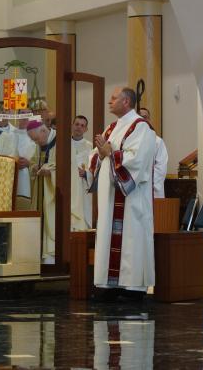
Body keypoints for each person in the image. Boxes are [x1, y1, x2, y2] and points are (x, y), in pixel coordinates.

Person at [86, 87, 156, 301]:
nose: (109, 101)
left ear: (126, 101)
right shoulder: (112, 127)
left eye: (114, 98)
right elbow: (98, 154)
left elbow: (138, 160)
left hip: (131, 198)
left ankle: (132, 286)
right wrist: (97, 156)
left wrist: (111, 154)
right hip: (109, 199)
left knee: (131, 238)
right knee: (108, 233)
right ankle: (109, 284)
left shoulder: (141, 128)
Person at [26, 120, 56, 263]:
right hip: (41, 194)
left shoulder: (60, 142)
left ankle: (52, 258)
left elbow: (69, 168)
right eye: (33, 140)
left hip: (55, 197)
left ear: (44, 131)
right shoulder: (40, 145)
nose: (36, 143)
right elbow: (34, 162)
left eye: (36, 139)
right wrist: (33, 168)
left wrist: (51, 172)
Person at [0, 109, 37, 207]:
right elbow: (2, 154)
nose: (25, 116)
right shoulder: (9, 134)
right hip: (11, 174)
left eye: (27, 113)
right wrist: (14, 162)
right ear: (17, 116)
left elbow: (39, 157)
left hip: (28, 176)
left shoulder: (35, 135)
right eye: (22, 113)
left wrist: (29, 163)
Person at [138, 108, 169, 198]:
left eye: (145, 117)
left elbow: (161, 168)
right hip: (134, 190)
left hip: (152, 191)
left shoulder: (158, 142)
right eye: (139, 117)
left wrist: (143, 182)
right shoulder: (130, 141)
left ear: (149, 120)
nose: (142, 120)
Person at [71, 115, 93, 230]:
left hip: (83, 187)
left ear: (86, 129)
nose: (79, 127)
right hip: (69, 187)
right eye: (77, 124)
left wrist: (85, 174)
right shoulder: (64, 144)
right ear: (72, 125)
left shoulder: (89, 147)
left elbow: (94, 169)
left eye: (82, 125)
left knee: (82, 220)